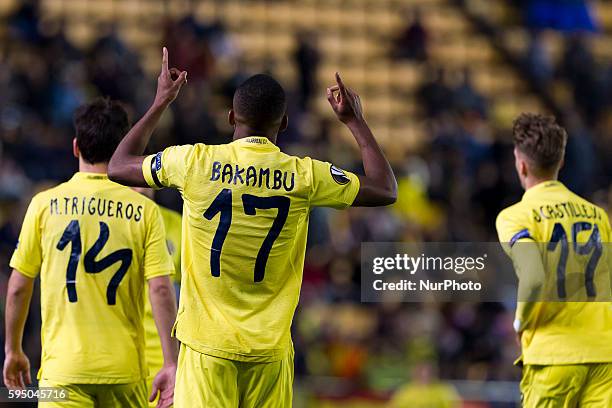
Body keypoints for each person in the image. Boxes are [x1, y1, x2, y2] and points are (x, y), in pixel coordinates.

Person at [107, 47, 397, 407]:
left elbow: (118, 166)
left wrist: (161, 102)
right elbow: (385, 188)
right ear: (285, 123)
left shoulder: (194, 161)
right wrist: (354, 121)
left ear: (231, 117)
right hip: (269, 352)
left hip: (207, 349)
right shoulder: (304, 174)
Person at [3, 98, 178, 408]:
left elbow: (18, 287)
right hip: (124, 370)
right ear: (124, 147)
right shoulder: (144, 210)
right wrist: (170, 363)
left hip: (63, 371)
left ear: (75, 147)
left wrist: (13, 350)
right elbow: (161, 288)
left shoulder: (44, 204)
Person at [496, 113, 612, 407]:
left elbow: (534, 276)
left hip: (553, 356)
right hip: (604, 355)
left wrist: (520, 322)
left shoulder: (515, 217)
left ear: (520, 163)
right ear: (560, 162)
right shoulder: (598, 216)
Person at [133, 187, 182, 407]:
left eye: (144, 181)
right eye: (132, 181)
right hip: (122, 353)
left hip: (164, 355)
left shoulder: (179, 226)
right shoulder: (112, 221)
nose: (140, 188)